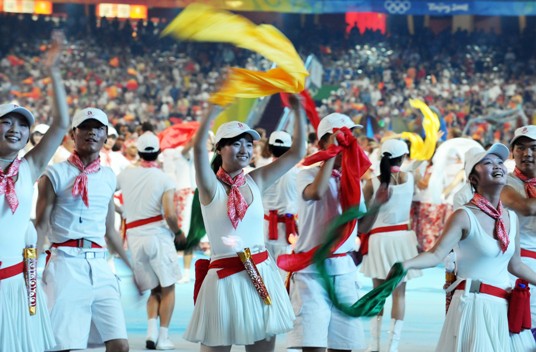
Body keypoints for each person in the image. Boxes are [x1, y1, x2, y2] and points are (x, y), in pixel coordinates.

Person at [184, 94, 305, 352]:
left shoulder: (256, 180)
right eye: (236, 144)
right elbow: (196, 149)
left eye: (248, 145)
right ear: (219, 149)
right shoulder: (209, 187)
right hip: (223, 280)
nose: (244, 150)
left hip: (260, 274)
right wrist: (212, 111)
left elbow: (297, 154)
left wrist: (298, 111)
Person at [397, 143, 536, 351]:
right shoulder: (464, 215)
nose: (497, 166)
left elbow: (516, 265)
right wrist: (403, 265)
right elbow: (436, 254)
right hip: (473, 305)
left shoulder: (511, 218)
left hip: (502, 308)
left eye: (500, 162)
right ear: (473, 178)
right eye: (487, 163)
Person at [285, 113, 388, 352]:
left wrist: (377, 204)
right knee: (314, 347)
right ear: (322, 143)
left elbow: (360, 227)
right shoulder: (306, 174)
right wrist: (332, 152)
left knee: (344, 347)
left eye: (350, 136)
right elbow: (317, 192)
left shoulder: (352, 181)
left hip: (344, 272)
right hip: (311, 273)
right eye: (341, 136)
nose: (348, 141)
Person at [36, 107, 137, 352]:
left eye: (98, 128)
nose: (91, 132)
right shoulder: (54, 174)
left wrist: (133, 268)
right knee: (65, 346)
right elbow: (41, 226)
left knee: (120, 344)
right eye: (85, 127)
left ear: (105, 135)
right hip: (65, 265)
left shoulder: (109, 177)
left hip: (101, 266)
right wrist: (30, 270)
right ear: (73, 133)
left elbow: (110, 231)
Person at [0, 31, 69, 352]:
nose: (15, 129)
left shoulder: (28, 168)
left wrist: (53, 71)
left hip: (16, 284)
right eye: (6, 122)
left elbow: (59, 125)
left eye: (22, 124)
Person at [117, 132, 186, 350]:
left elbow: (104, 193)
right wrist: (179, 233)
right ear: (158, 153)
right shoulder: (165, 178)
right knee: (168, 288)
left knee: (153, 289)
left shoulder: (125, 174)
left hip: (135, 238)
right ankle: (163, 336)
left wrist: (121, 211)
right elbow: (170, 214)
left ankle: (151, 333)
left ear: (138, 151)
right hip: (158, 236)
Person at [360, 139, 421, 352]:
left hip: (378, 239)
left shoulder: (371, 183)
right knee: (399, 294)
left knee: (377, 293)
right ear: (403, 157)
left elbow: (363, 216)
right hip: (402, 239)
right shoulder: (411, 178)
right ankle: (391, 347)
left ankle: (373, 344)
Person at [500, 125, 536, 339]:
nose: (527, 153)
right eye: (520, 148)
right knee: (521, 332)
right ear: (512, 152)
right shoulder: (503, 182)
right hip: (519, 266)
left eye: (533, 147)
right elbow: (526, 207)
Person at [262, 130, 299, 266]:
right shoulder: (298, 174)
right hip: (287, 233)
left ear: (269, 148)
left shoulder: (260, 172)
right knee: (283, 279)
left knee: (264, 277)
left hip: (263, 231)